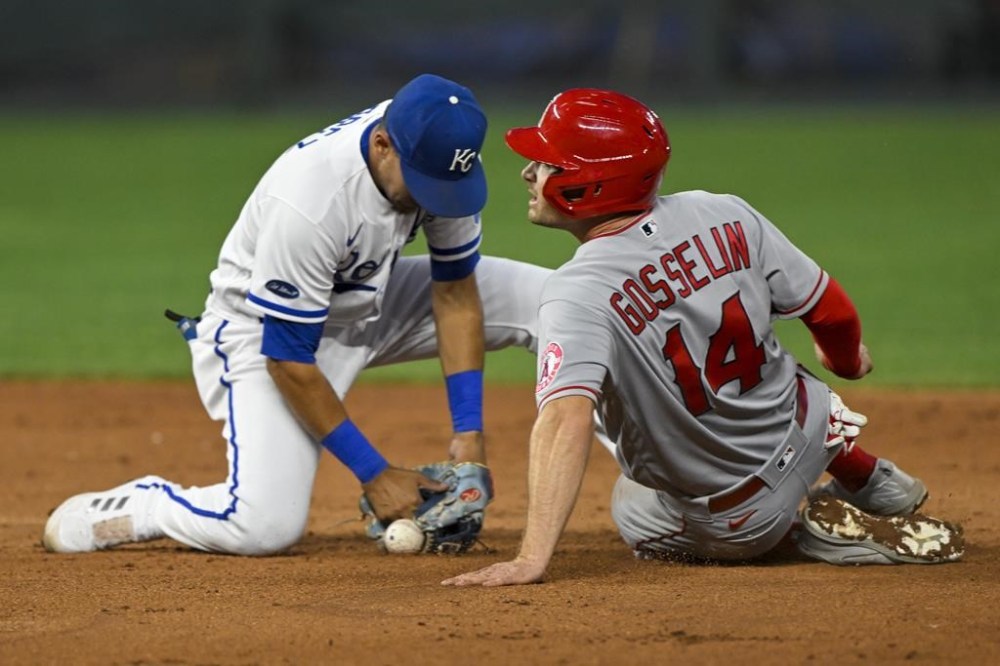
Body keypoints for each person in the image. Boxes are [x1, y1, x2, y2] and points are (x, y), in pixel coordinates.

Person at [444, 89, 964, 586]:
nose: (529, 173)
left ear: (590, 186)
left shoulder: (576, 292)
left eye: (549, 165)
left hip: (743, 512)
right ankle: (871, 477)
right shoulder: (725, 211)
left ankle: (806, 534)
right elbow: (831, 311)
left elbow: (563, 420)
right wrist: (846, 362)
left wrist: (532, 557)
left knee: (631, 501)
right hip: (814, 423)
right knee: (767, 377)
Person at [42, 74, 551, 556]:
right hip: (262, 334)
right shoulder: (312, 201)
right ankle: (147, 506)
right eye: (423, 182)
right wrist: (375, 472)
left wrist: (470, 437)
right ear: (382, 145)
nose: (434, 197)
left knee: (553, 300)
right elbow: (288, 357)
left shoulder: (438, 161)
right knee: (263, 525)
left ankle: (635, 482)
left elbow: (456, 293)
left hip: (369, 301)